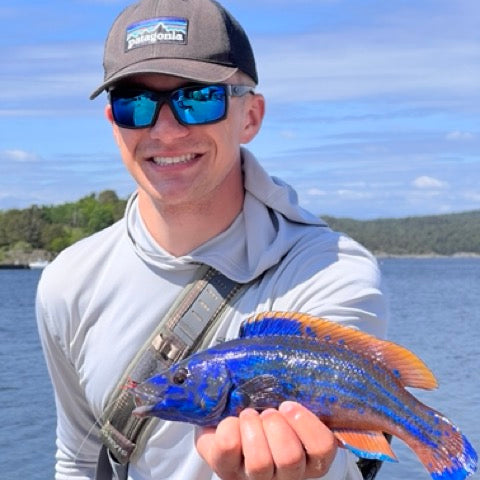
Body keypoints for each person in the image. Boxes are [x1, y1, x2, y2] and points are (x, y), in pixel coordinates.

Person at [36, 0, 389, 479]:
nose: (166, 130)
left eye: (198, 98)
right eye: (134, 103)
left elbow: (345, 459)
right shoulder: (68, 281)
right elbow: (79, 460)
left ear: (250, 116)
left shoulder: (331, 271)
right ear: (113, 124)